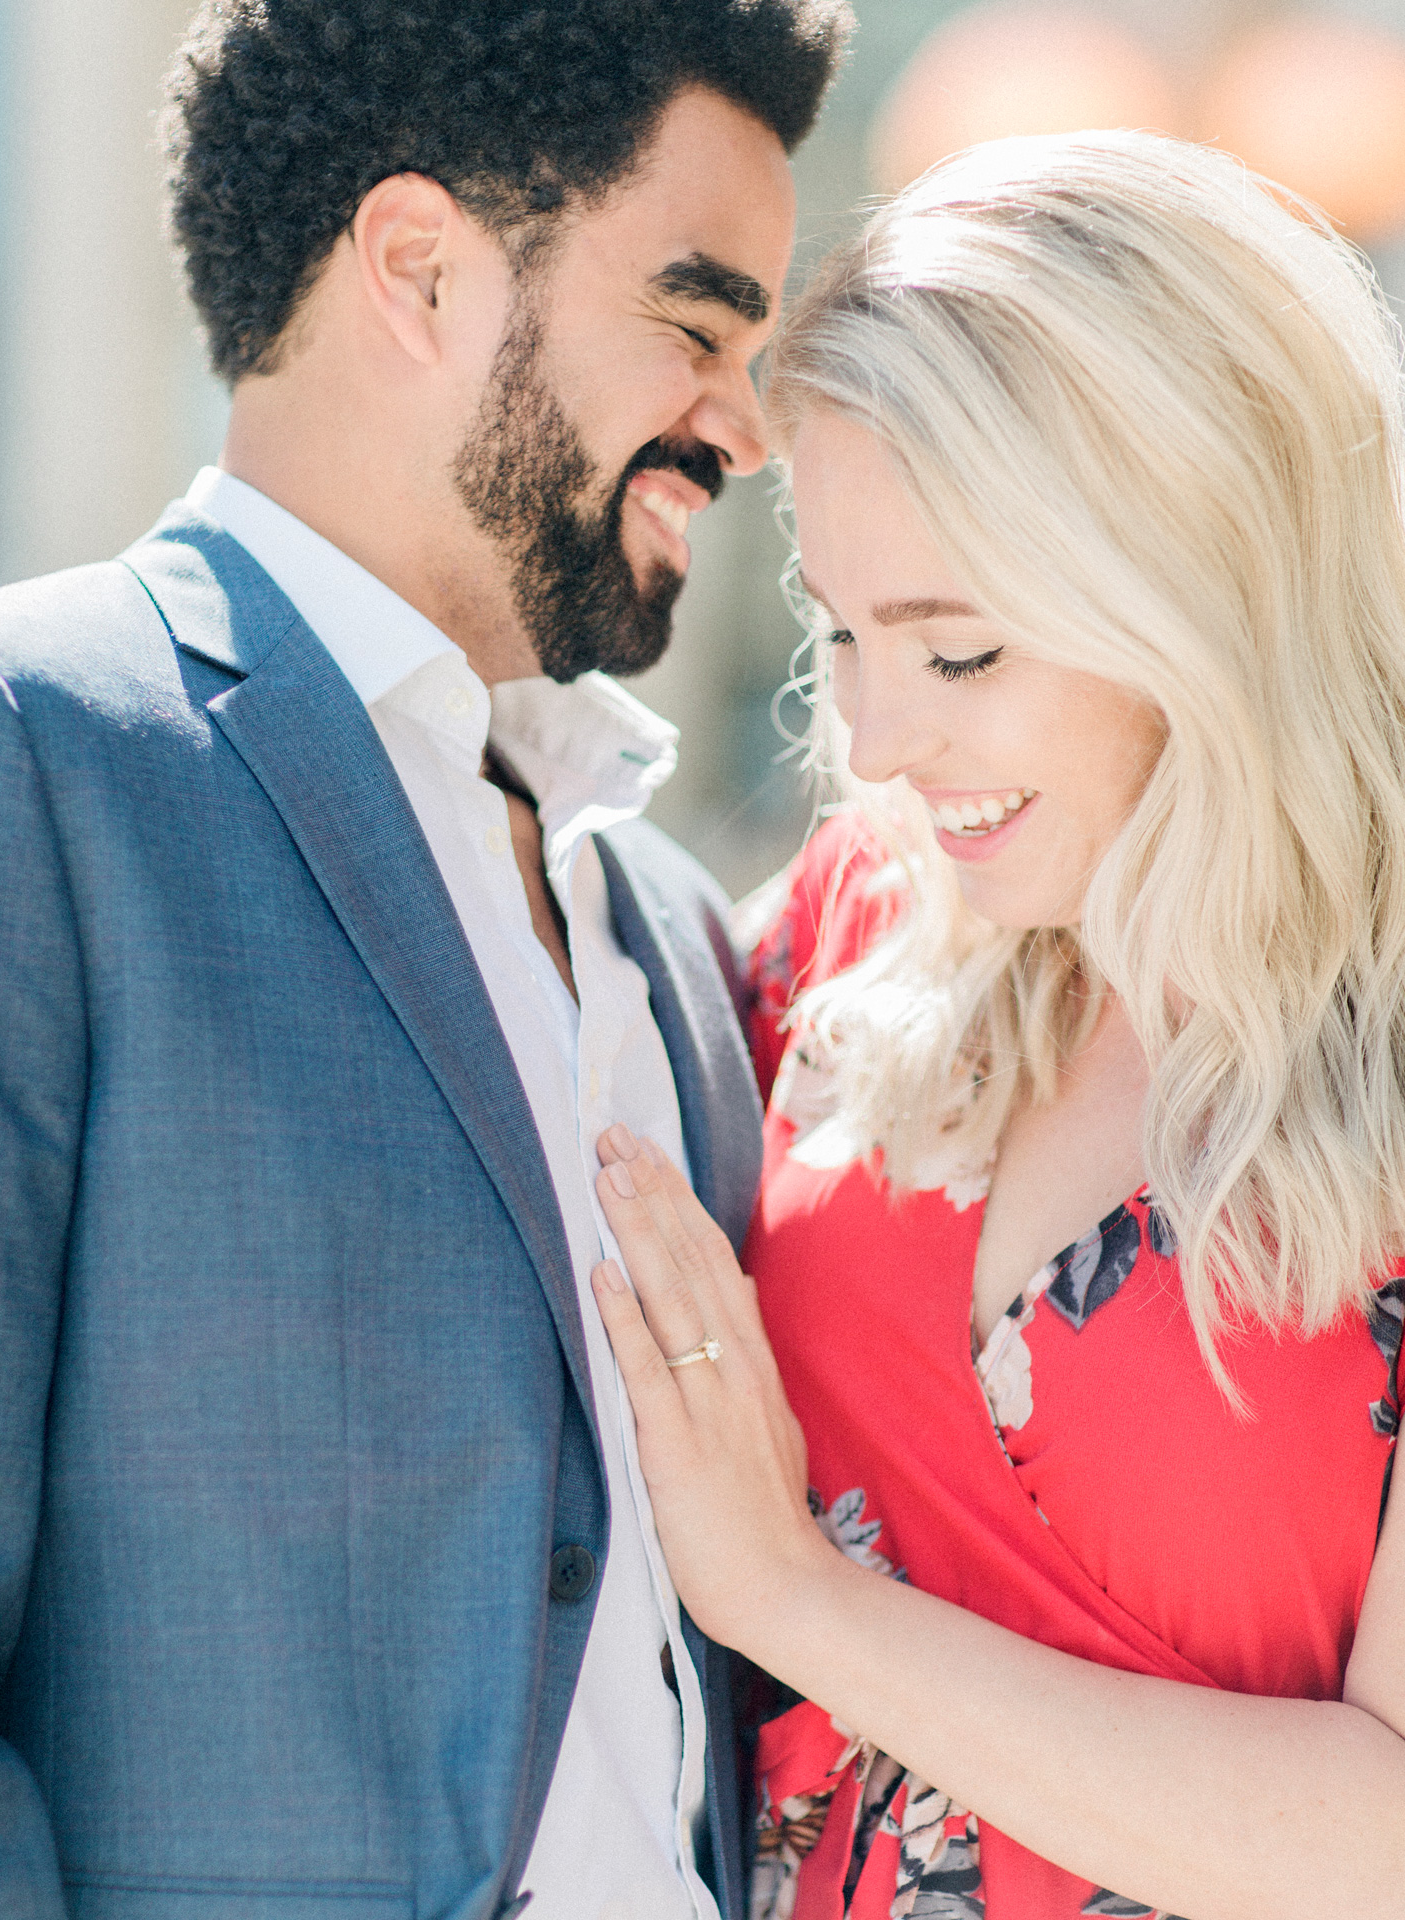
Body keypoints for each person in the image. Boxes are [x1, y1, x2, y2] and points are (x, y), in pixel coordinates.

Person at [0, 3, 854, 1916]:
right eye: (697, 328)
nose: (748, 426)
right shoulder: (17, 749)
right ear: (421, 269)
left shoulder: (683, 941)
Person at [586, 131, 1405, 1920]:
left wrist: (795, 1598)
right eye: (844, 637)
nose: (878, 744)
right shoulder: (847, 938)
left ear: (1207, 587)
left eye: (955, 655)